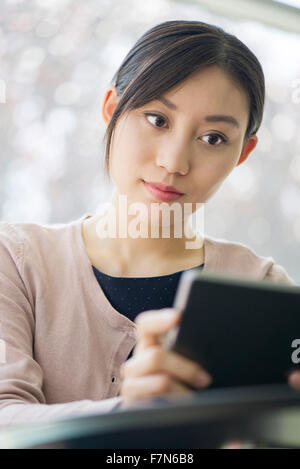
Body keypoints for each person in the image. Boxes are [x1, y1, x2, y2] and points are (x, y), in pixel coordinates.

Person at [0, 20, 299, 428]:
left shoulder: (264, 289)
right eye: (157, 120)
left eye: (213, 138)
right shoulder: (16, 262)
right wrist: (126, 413)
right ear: (111, 109)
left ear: (242, 153)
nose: (174, 162)